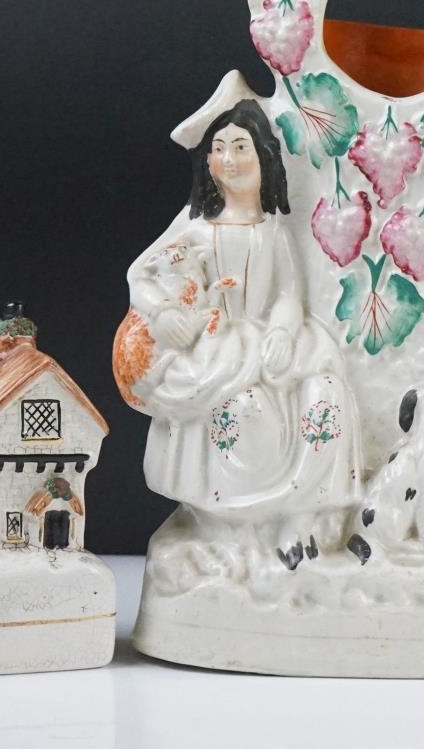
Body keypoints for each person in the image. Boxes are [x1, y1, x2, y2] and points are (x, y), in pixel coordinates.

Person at [127, 98, 361, 569]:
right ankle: (234, 519)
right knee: (244, 408)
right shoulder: (195, 225)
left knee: (326, 392)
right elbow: (139, 275)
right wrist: (165, 313)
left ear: (263, 157)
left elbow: (288, 294)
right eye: (218, 149)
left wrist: (282, 333)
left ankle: (303, 510)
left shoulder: (273, 229)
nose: (228, 159)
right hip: (217, 344)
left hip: (269, 340)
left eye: (240, 147)